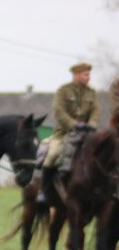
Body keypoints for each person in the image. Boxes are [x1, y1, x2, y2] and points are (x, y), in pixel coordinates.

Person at [38, 62, 98, 203]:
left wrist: (92, 124)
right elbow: (59, 111)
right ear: (76, 75)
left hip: (87, 134)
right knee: (52, 154)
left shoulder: (92, 93)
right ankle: (43, 190)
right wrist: (74, 124)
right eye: (86, 75)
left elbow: (95, 111)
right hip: (64, 133)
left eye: (89, 75)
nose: (88, 77)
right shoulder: (63, 91)